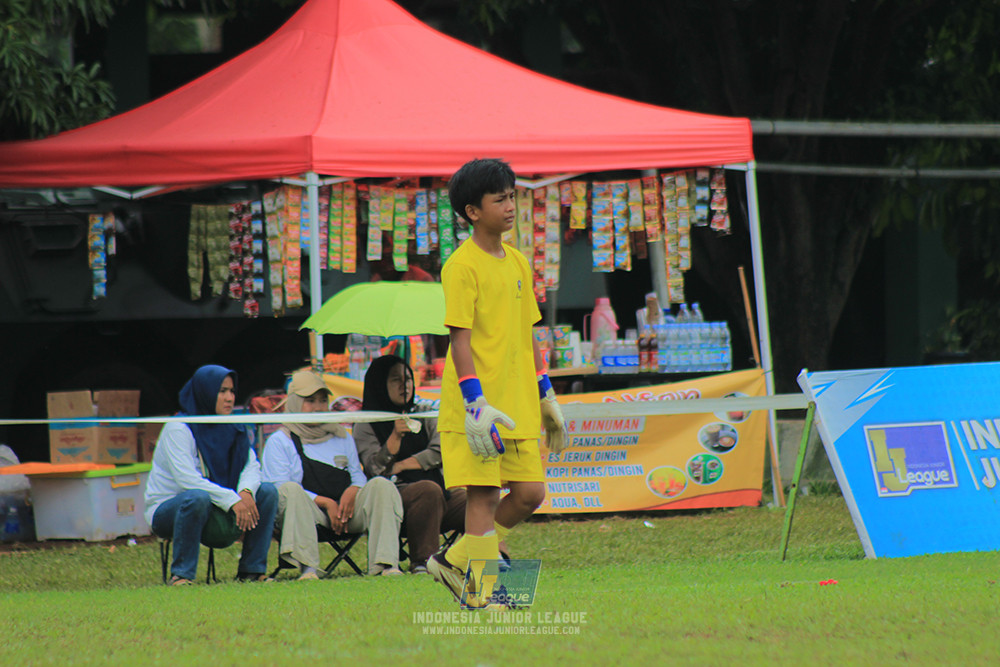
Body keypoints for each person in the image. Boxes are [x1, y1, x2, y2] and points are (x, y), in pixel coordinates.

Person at [426, 158, 568, 609]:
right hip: (478, 406)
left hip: (520, 402)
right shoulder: (460, 266)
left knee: (530, 493)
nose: (510, 206)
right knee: (484, 497)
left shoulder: (520, 262)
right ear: (472, 211)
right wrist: (474, 402)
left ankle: (455, 558)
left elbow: (529, 333)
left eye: (512, 196)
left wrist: (545, 391)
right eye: (499, 198)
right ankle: (483, 594)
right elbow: (459, 340)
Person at [261, 370, 404, 578]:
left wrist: (354, 491)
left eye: (322, 400)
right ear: (293, 403)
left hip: (347, 514)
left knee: (382, 485)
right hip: (310, 515)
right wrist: (326, 503)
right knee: (290, 490)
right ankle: (308, 569)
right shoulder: (280, 440)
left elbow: (357, 475)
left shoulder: (340, 435)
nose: (318, 407)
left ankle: (386, 565)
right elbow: (279, 488)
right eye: (310, 401)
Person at [145, 364, 278, 585]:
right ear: (204, 392)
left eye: (232, 391)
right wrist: (233, 499)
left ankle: (252, 571)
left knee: (267, 492)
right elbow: (187, 480)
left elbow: (251, 465)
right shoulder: (178, 427)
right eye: (221, 391)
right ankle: (182, 575)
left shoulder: (234, 425)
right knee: (197, 497)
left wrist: (245, 493)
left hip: (217, 504)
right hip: (170, 509)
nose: (229, 398)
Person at [353, 355, 467, 574]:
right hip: (396, 497)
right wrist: (394, 437)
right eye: (395, 380)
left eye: (407, 379)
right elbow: (375, 469)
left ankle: (492, 557)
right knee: (427, 490)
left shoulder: (424, 412)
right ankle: (424, 562)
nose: (404, 385)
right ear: (379, 384)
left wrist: (403, 465)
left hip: (441, 494)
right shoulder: (366, 423)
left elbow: (440, 450)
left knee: (477, 499)